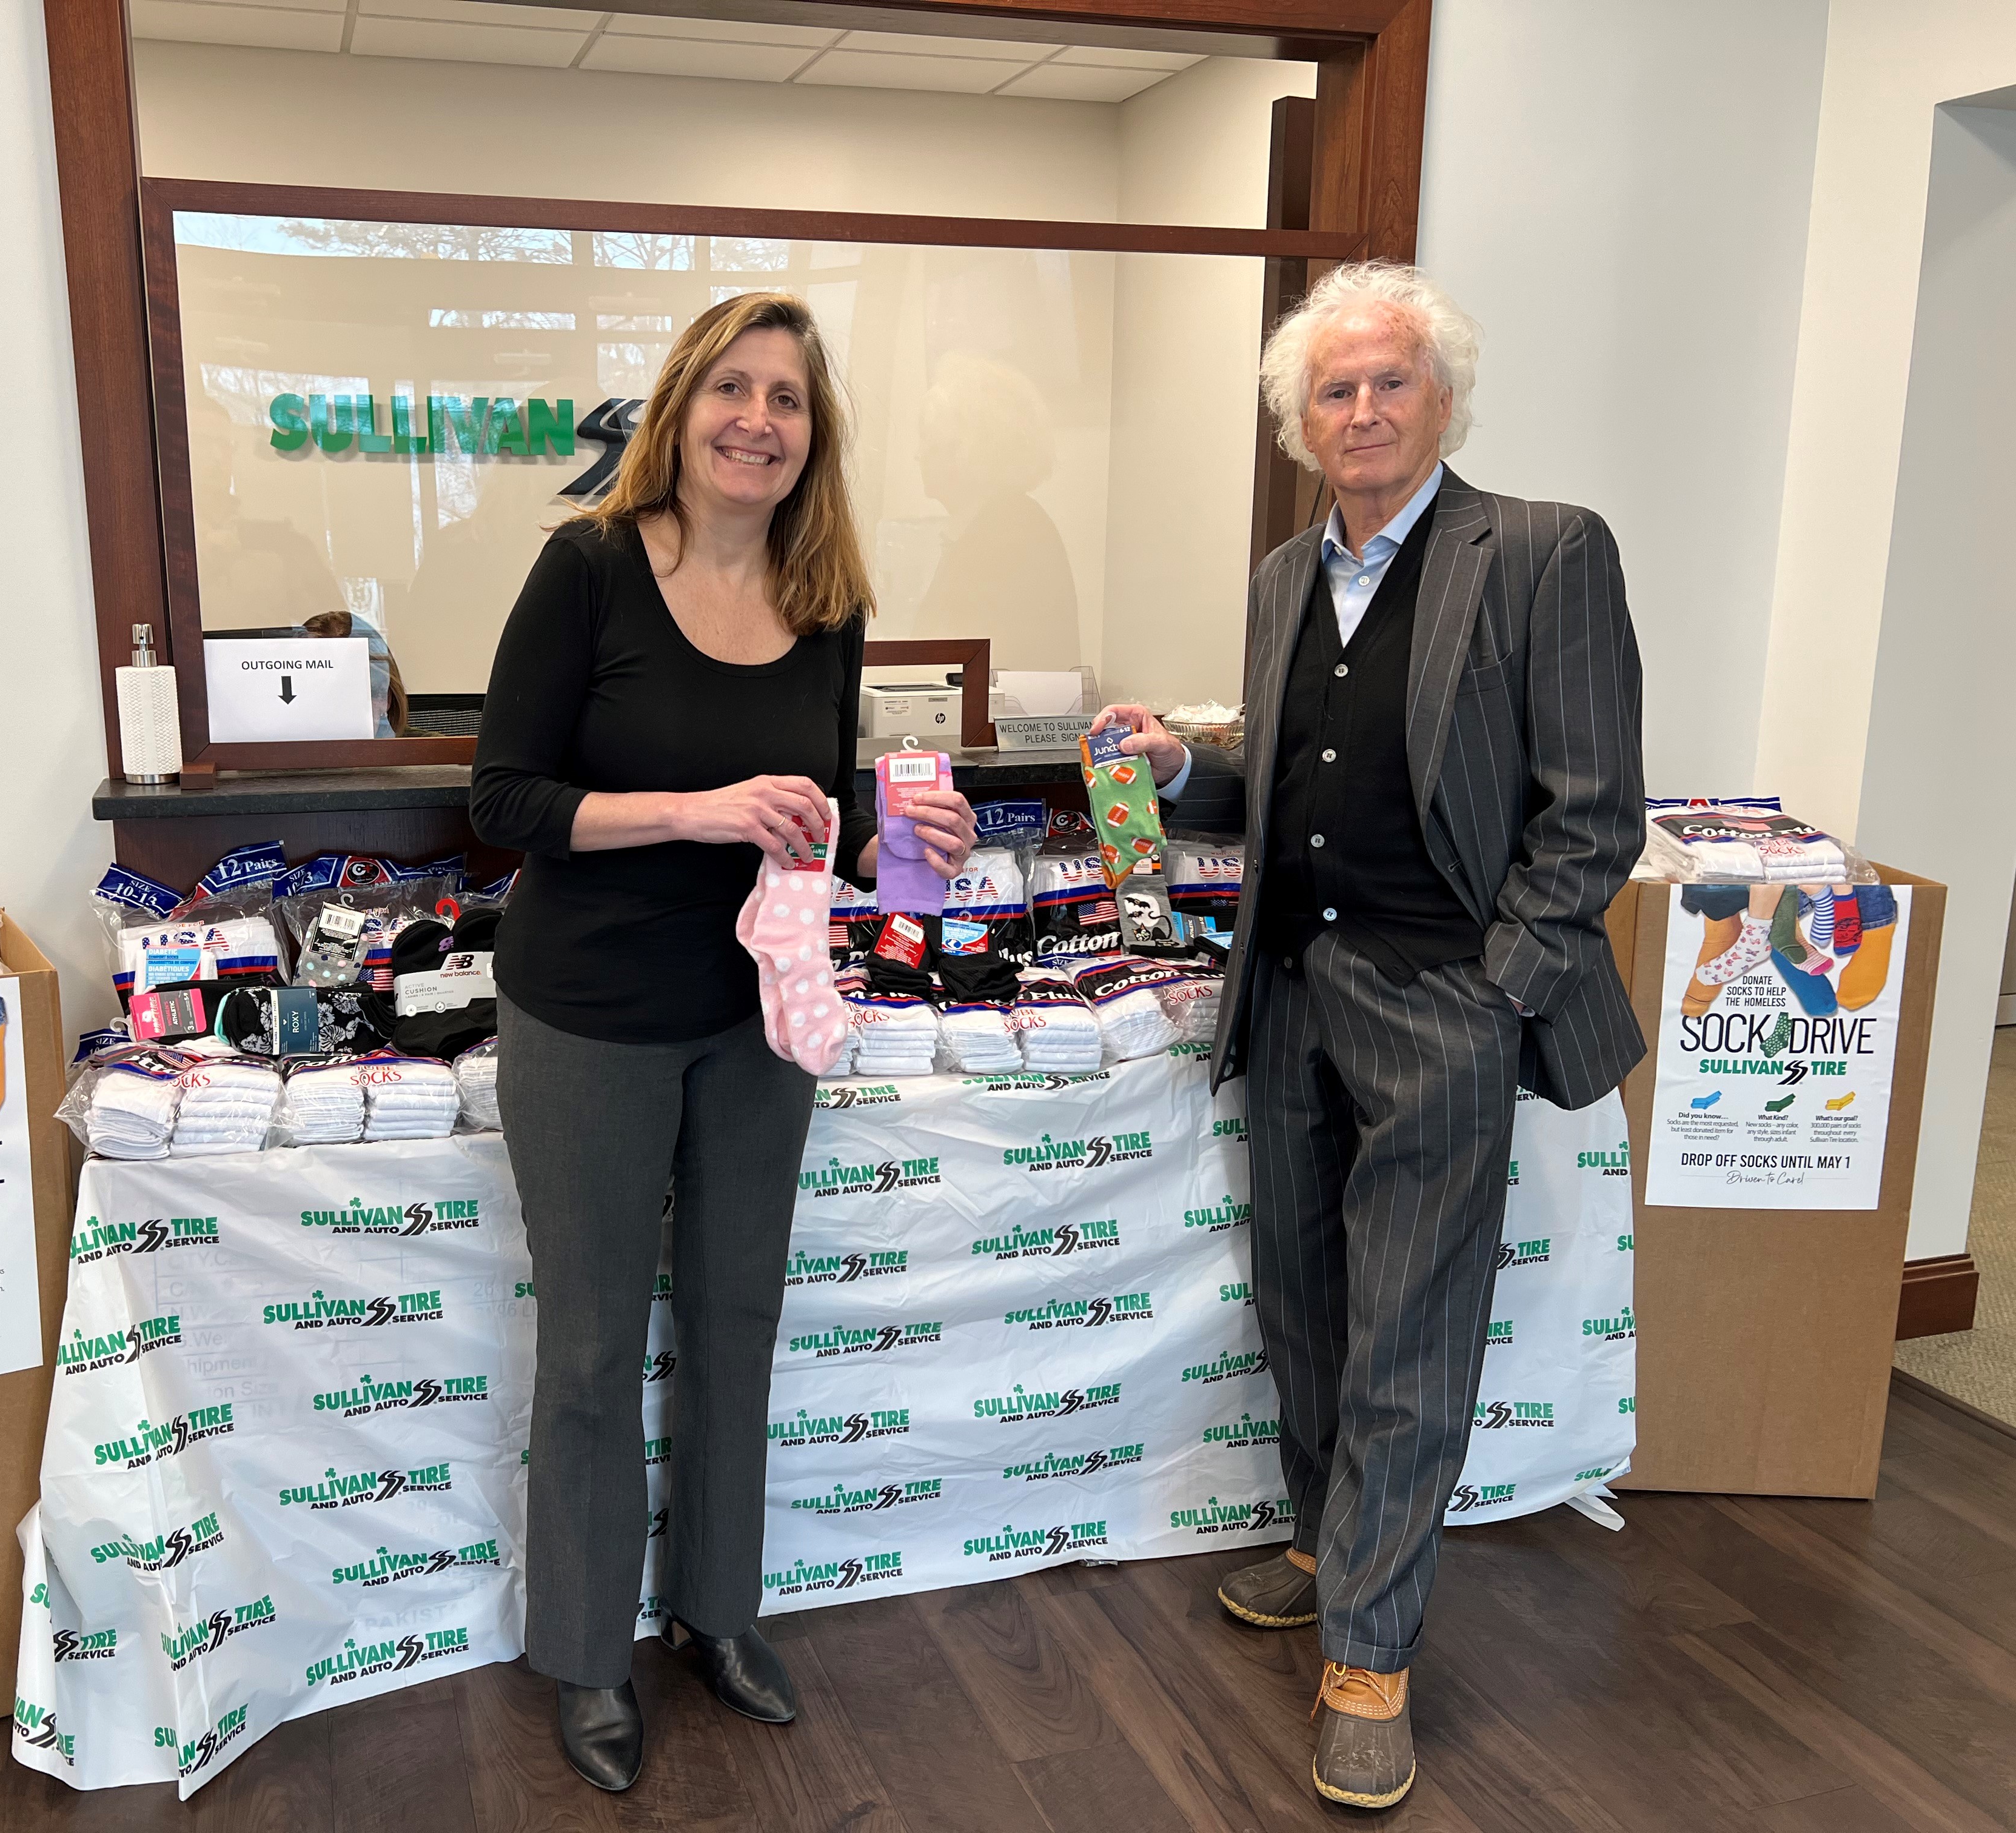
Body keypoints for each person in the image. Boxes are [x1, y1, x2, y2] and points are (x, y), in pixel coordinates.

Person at [1093, 261, 1644, 1811]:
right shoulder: (1283, 576)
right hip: (1289, 997)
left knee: (1412, 1326)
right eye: (1332, 390)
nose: (1362, 410)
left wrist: (1501, 991)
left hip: (1441, 1003)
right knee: (1309, 1302)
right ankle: (1327, 1541)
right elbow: (1282, 786)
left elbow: (1595, 812)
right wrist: (1176, 767)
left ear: (1443, 398)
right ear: (1299, 421)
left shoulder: (1539, 553)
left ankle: (1375, 1655)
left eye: (1390, 381)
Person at [469, 292, 977, 1794]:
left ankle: (717, 1611)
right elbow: (503, 802)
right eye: (733, 390)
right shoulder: (589, 573)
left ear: (816, 438)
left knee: (739, 1322)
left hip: (763, 1013)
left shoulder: (830, 598)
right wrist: (692, 811)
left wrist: (903, 825)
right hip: (592, 1020)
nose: (760, 420)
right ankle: (584, 1652)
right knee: (592, 1348)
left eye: (791, 401)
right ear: (679, 409)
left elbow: (810, 809)